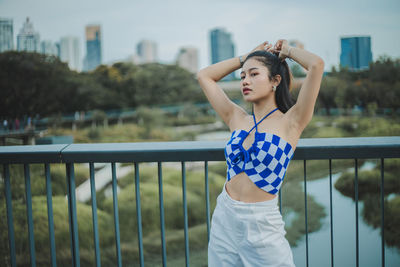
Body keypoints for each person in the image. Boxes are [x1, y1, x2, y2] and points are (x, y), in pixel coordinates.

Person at [197, 39, 324, 266]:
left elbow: (317, 65)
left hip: (261, 223)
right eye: (243, 76)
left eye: (254, 74)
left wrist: (288, 51)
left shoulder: (291, 122)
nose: (245, 81)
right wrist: (246, 57)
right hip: (224, 216)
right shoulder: (237, 118)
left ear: (275, 81)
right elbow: (205, 76)